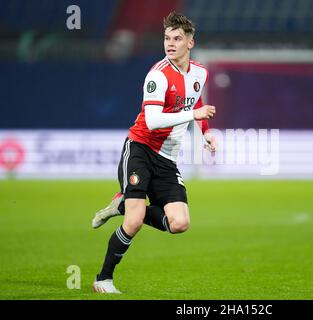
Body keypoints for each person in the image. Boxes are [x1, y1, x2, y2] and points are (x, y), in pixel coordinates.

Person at [91, 11, 217, 293]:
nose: (170, 44)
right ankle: (103, 279)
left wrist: (206, 131)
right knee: (134, 223)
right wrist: (194, 114)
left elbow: (194, 106)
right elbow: (152, 120)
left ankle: (120, 204)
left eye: (177, 38)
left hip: (167, 158)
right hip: (140, 149)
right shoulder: (158, 75)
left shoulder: (200, 73)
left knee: (180, 223)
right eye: (166, 38)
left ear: (190, 43)